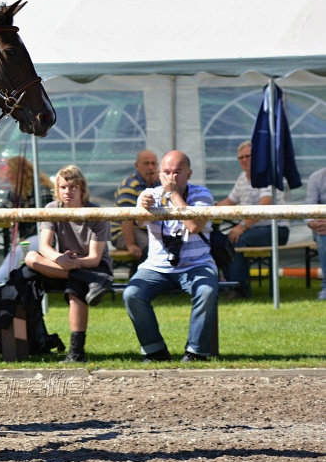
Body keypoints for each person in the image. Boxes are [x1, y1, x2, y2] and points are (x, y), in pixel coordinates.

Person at [123, 150, 219, 363]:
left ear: (189, 174)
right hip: (156, 266)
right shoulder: (150, 195)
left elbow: (194, 226)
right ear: (159, 173)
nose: (171, 177)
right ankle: (154, 350)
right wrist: (143, 208)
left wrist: (173, 194)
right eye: (166, 172)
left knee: (206, 291)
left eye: (177, 172)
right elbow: (138, 223)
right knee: (131, 294)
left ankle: (196, 352)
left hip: (197, 264)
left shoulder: (203, 194)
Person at [22, 165, 114, 363]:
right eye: (63, 187)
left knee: (75, 291)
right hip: (68, 265)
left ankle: (76, 352)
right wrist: (59, 258)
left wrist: (73, 262)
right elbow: (45, 247)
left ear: (82, 189)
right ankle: (29, 342)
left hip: (94, 267)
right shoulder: (52, 209)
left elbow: (95, 258)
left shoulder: (97, 213)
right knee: (30, 258)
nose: (67, 192)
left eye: (73, 187)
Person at [217, 140, 290, 298]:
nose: (244, 160)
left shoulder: (267, 176)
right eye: (241, 157)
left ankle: (239, 288)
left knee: (237, 238)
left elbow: (264, 205)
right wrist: (210, 210)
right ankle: (230, 284)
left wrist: (242, 226)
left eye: (248, 156)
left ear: (257, 157)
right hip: (254, 230)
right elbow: (230, 201)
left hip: (277, 229)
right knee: (220, 241)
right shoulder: (243, 178)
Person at [0, 155, 54, 285]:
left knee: (16, 252)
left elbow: (46, 221)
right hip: (29, 238)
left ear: (20, 173)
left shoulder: (41, 190)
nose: (7, 176)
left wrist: (25, 239)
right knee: (16, 252)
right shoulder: (16, 192)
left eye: (10, 172)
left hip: (46, 237)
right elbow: (3, 211)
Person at [111, 149, 159, 262]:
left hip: (144, 228)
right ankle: (139, 278)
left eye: (153, 163)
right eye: (146, 164)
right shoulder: (130, 185)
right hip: (123, 232)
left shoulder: (158, 183)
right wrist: (130, 244)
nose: (151, 168)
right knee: (149, 246)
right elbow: (126, 217)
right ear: (137, 166)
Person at [305, 166, 326, 300]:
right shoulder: (316, 177)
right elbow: (308, 208)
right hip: (322, 228)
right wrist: (313, 223)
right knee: (323, 235)